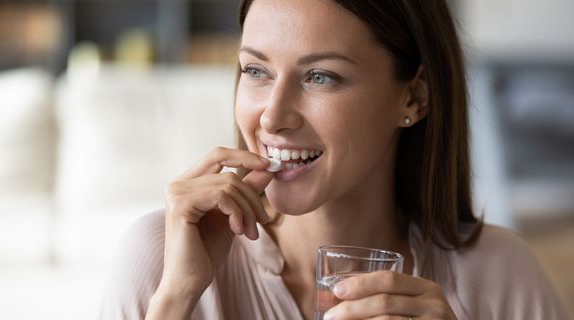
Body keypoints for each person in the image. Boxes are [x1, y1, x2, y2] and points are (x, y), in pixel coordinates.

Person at [100, 1, 569, 319]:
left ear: (415, 97)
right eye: (255, 70)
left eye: (321, 77)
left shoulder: (502, 278)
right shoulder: (161, 259)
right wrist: (175, 300)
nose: (273, 116)